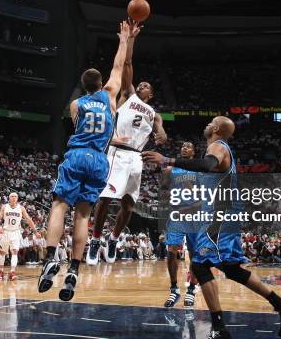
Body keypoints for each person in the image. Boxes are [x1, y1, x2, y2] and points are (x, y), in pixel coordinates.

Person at [143, 116, 281, 339]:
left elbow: (206, 164)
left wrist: (168, 159)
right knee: (222, 267)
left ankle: (224, 327)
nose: (206, 124)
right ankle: (279, 308)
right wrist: (191, 209)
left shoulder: (217, 146)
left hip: (222, 215)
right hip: (218, 214)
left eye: (210, 122)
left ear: (215, 128)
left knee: (203, 266)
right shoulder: (217, 148)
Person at [38, 20, 133, 301]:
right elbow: (118, 67)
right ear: (102, 85)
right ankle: (74, 269)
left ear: (83, 86)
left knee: (59, 206)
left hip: (78, 155)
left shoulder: (76, 105)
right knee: (82, 215)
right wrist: (125, 39)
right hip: (100, 161)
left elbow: (79, 119)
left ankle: (52, 258)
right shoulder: (110, 99)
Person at [87, 23, 166, 265]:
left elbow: (160, 126)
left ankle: (113, 237)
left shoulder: (153, 112)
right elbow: (128, 64)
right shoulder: (128, 96)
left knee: (129, 206)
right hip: (117, 152)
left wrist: (160, 133)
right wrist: (130, 40)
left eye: (146, 86)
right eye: (140, 84)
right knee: (105, 198)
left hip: (137, 158)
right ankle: (96, 239)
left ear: (150, 94)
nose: (142, 86)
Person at [161, 142, 199, 309]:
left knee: (195, 254)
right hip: (176, 215)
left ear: (193, 152)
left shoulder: (200, 170)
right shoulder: (170, 169)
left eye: (188, 146)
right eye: (183, 146)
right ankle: (174, 289)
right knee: (171, 251)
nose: (184, 148)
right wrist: (168, 195)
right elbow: (163, 190)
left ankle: (191, 290)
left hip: (195, 215)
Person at [0, 192, 40, 281]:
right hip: (5, 232)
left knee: (14, 252)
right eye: (12, 196)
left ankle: (12, 272)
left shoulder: (21, 208)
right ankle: (0, 270)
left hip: (15, 232)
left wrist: (35, 232)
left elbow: (29, 220)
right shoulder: (4, 207)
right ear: (9, 198)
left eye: (15, 196)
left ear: (17, 198)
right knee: (3, 252)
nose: (14, 197)